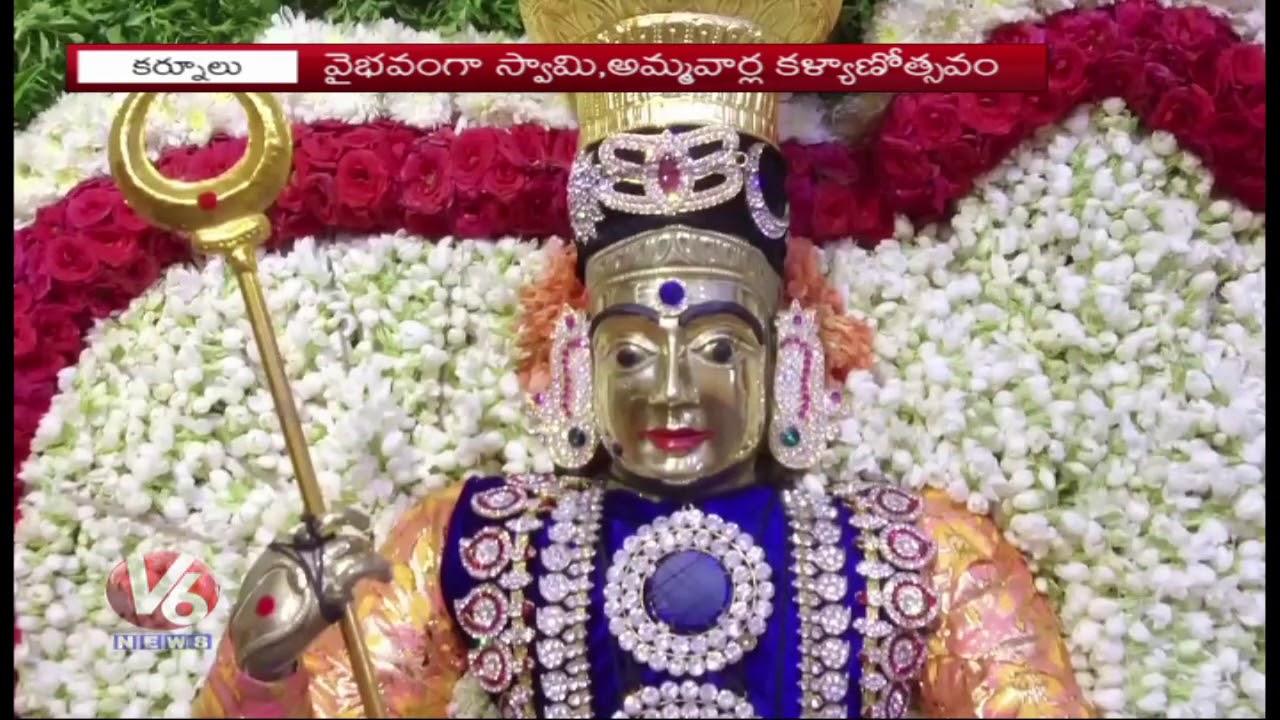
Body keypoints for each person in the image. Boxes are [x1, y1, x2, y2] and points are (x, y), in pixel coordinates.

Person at [191, 1, 1095, 717]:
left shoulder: (916, 557)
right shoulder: (477, 548)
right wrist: (262, 667)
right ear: (577, 361)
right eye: (631, 354)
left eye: (713, 347)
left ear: (789, 360)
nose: (669, 388)